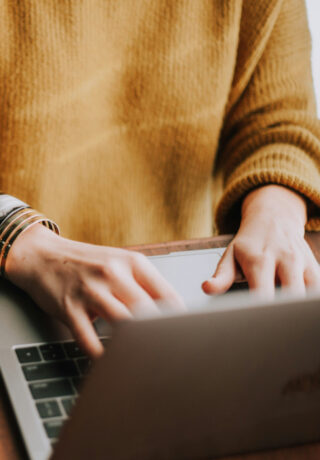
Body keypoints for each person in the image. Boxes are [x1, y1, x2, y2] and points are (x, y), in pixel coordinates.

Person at [0, 0, 319, 359]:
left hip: (191, 291)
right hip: (18, 297)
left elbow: (280, 121)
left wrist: (275, 215)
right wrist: (17, 236)